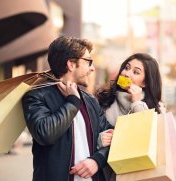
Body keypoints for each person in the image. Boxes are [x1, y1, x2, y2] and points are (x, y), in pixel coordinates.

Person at [22, 36, 113, 181]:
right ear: (71, 64)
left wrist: (97, 160)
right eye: (88, 61)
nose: (92, 68)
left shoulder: (90, 101)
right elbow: (45, 134)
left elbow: (112, 138)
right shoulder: (36, 96)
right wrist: (72, 102)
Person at [95, 53, 166, 180]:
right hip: (106, 173)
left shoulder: (156, 109)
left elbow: (149, 140)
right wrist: (99, 141)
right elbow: (88, 134)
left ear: (145, 83)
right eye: (126, 68)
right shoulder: (104, 100)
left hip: (140, 174)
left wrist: (137, 103)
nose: (127, 74)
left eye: (136, 72)